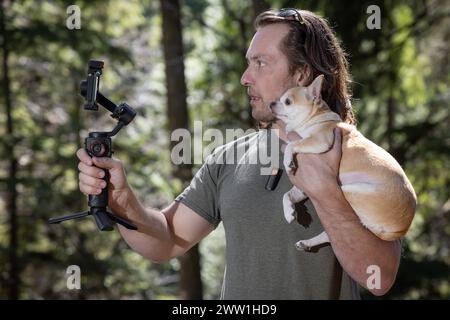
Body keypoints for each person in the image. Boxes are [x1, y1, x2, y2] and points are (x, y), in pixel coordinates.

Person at [76, 8, 401, 299]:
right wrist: (122, 201)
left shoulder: (358, 159)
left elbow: (379, 278)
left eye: (261, 63)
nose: (246, 78)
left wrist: (326, 193)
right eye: (248, 63)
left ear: (302, 75)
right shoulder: (229, 158)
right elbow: (167, 240)